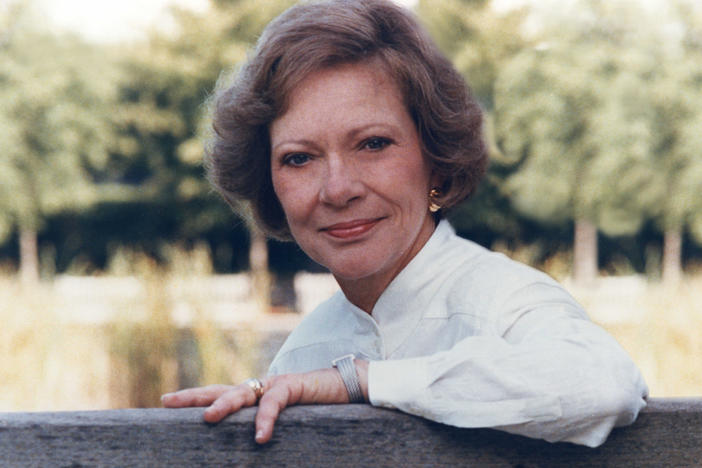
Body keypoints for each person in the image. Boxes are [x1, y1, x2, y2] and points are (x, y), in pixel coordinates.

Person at [161, 0, 647, 447]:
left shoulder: (504, 303)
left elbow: (600, 384)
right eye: (299, 158)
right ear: (269, 184)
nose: (337, 189)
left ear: (435, 158)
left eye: (373, 144)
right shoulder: (302, 355)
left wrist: (361, 381)